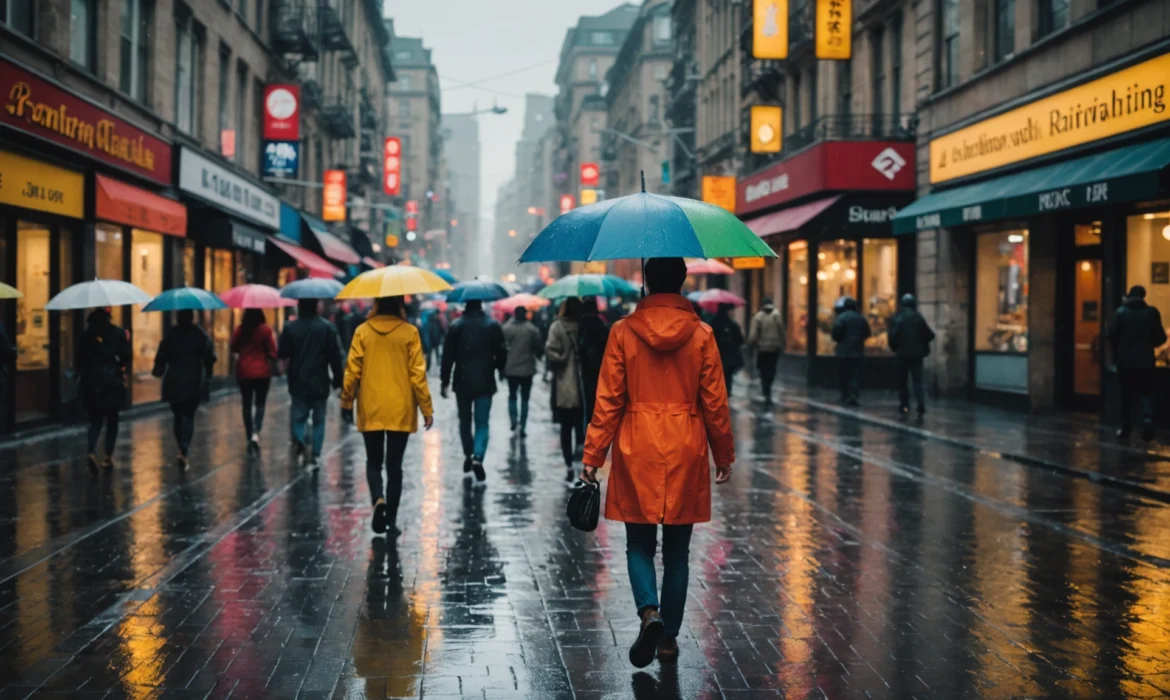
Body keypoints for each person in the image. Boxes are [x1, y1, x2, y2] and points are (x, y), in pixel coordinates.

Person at [582, 257, 734, 669]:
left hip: (637, 447)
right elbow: (715, 402)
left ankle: (649, 612)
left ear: (646, 281)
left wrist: (593, 455)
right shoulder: (702, 334)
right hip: (686, 445)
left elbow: (609, 400)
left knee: (639, 543)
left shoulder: (623, 332)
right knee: (679, 553)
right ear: (683, 282)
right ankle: (667, 639)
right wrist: (724, 453)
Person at [340, 296, 435, 535]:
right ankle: (391, 520)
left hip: (371, 405)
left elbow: (352, 370)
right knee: (395, 467)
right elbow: (417, 374)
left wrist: (346, 401)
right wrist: (426, 408)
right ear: (400, 304)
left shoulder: (362, 331)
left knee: (373, 461)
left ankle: (378, 499)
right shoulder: (409, 332)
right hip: (399, 408)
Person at [441, 299, 507, 482]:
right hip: (485, 381)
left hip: (462, 382)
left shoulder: (456, 326)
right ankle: (478, 456)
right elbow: (501, 352)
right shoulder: (492, 325)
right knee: (482, 423)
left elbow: (447, 356)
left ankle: (469, 454)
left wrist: (444, 381)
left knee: (464, 421)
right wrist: (498, 368)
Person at [279, 299, 344, 468]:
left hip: (297, 380)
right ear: (316, 306)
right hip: (319, 381)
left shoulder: (290, 327)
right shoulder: (327, 328)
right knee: (318, 420)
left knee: (298, 416)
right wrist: (338, 380)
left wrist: (285, 370)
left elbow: (283, 355)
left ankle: (300, 439)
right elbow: (335, 357)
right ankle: (315, 455)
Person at [153, 310, 217, 469]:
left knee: (178, 414)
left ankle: (181, 447)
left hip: (174, 380)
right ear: (192, 317)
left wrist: (159, 368)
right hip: (193, 380)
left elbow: (162, 355)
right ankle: (184, 449)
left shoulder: (171, 334)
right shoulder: (199, 334)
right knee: (188, 415)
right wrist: (208, 372)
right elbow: (209, 356)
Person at [1109, 285, 1167, 440]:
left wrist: (1119, 351)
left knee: (1126, 395)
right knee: (1146, 392)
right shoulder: (1151, 313)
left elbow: (1112, 336)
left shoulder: (1121, 313)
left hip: (1125, 361)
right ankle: (1147, 421)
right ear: (1144, 295)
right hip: (1146, 360)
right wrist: (1148, 344)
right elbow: (1161, 337)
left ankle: (1125, 428)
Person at [78, 309, 131, 473]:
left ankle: (92, 451)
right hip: (112, 381)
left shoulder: (87, 335)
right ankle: (108, 456)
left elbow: (79, 357)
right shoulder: (118, 333)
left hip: (92, 381)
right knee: (112, 420)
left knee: (95, 420)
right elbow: (126, 356)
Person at [547, 298, 585, 480]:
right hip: (583, 384)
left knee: (565, 426)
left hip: (563, 384)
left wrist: (561, 358)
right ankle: (582, 460)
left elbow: (550, 351)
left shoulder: (556, 327)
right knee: (581, 423)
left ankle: (569, 463)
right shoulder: (584, 327)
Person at [231, 309, 278, 451]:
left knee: (246, 403)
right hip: (262, 372)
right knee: (260, 403)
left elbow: (233, 346)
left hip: (244, 371)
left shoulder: (240, 329)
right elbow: (272, 351)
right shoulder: (265, 330)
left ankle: (249, 434)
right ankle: (256, 431)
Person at [888, 293, 935, 416]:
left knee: (902, 381)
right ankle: (921, 404)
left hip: (902, 354)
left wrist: (895, 347)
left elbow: (892, 337)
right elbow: (930, 335)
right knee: (917, 381)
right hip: (916, 355)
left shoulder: (898, 318)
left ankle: (904, 405)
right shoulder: (918, 317)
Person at [502, 306, 543, 436]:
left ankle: (513, 421)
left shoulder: (507, 328)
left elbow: (501, 348)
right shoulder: (531, 329)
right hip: (527, 369)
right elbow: (538, 347)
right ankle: (523, 426)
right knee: (525, 398)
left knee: (512, 395)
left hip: (511, 368)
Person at [830, 297, 871, 407]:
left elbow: (835, 334)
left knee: (843, 374)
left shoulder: (841, 318)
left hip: (843, 351)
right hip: (857, 351)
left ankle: (845, 395)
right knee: (854, 375)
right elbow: (867, 333)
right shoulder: (861, 318)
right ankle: (854, 395)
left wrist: (840, 341)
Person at [747, 298, 785, 407]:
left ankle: (766, 390)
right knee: (772, 369)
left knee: (763, 370)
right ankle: (768, 387)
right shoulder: (777, 317)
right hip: (774, 349)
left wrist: (751, 345)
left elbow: (753, 335)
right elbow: (782, 332)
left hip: (762, 349)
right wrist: (783, 343)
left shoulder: (758, 317)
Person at [578, 298, 611, 423]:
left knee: (585, 398)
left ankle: (586, 425)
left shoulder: (580, 326)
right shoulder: (601, 325)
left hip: (583, 366)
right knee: (597, 399)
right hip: (599, 367)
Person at [709, 303, 745, 396]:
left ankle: (720, 393)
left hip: (716, 356)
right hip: (729, 357)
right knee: (728, 377)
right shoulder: (732, 324)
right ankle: (727, 394)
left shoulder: (712, 323)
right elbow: (740, 340)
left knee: (718, 376)